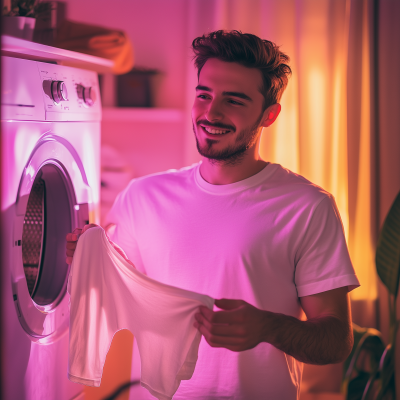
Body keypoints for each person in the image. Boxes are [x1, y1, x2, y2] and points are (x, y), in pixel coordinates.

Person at [66, 30, 360, 399]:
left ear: (269, 115)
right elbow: (112, 299)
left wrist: (269, 327)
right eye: (204, 95)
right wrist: (83, 259)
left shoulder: (307, 206)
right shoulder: (142, 196)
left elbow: (336, 341)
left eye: (234, 101)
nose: (211, 113)